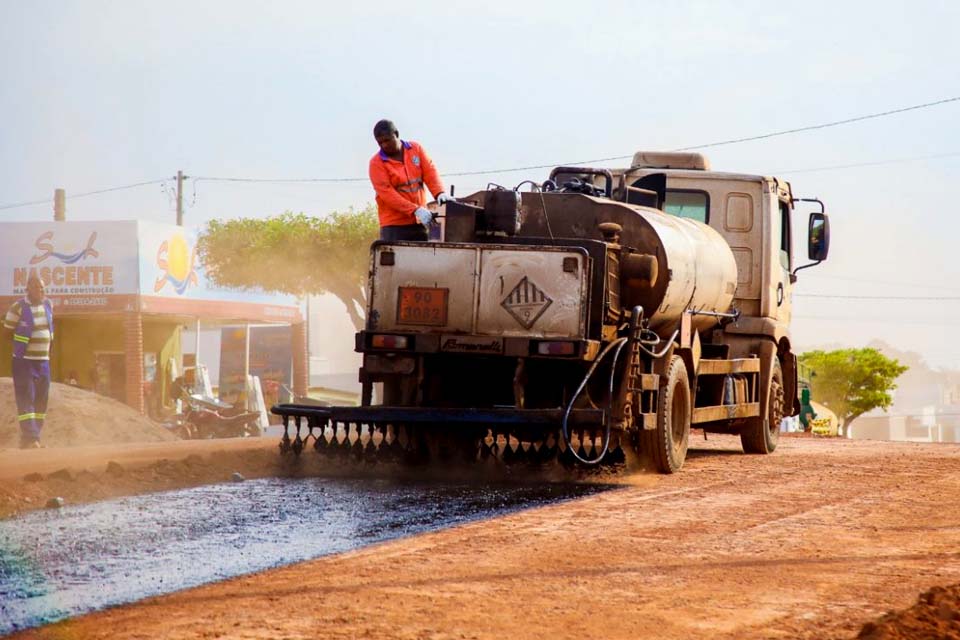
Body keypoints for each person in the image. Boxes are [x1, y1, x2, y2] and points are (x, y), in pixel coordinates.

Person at [368, 119, 451, 241]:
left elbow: (430, 171)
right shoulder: (376, 163)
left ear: (396, 134)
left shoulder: (416, 149)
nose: (384, 145)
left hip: (420, 222)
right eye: (380, 143)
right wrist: (415, 210)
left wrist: (439, 192)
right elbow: (387, 194)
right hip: (394, 226)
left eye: (387, 140)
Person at [3, 275, 54, 448]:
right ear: (28, 288)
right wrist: (22, 346)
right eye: (37, 287)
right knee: (26, 398)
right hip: (24, 362)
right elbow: (7, 333)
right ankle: (32, 438)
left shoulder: (48, 305)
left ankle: (32, 438)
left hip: (44, 362)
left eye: (43, 287)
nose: (41, 290)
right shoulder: (17, 307)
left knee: (41, 400)